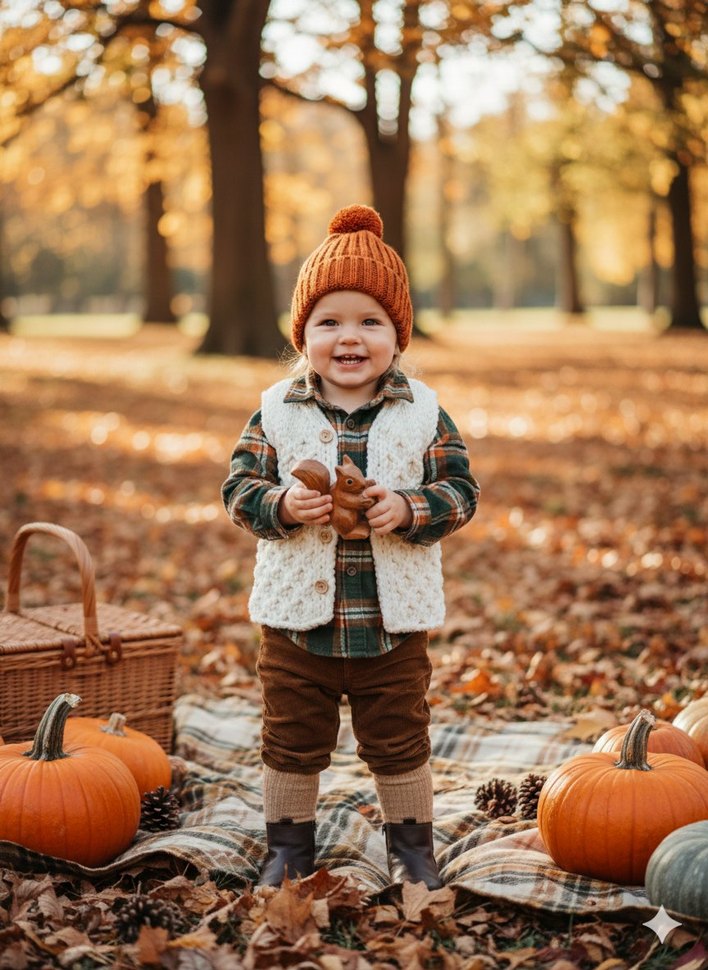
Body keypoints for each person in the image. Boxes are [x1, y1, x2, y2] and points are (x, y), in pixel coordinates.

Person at [222, 204, 480, 889]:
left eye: (371, 321)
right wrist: (279, 503)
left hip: (390, 629)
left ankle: (412, 847)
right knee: (291, 736)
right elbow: (238, 488)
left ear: (398, 335)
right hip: (294, 628)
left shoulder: (423, 410)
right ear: (302, 333)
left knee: (399, 737)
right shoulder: (277, 409)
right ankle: (288, 845)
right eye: (328, 321)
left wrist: (410, 506)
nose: (350, 337)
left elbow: (461, 490)